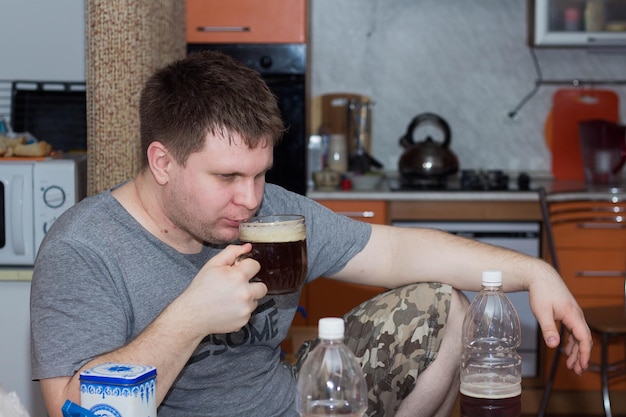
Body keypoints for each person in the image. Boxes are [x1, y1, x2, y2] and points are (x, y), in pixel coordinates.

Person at [30, 50, 591, 417]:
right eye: (226, 177)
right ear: (162, 161)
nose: (250, 198)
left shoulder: (271, 214)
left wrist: (531, 272)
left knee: (444, 308)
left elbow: (393, 250)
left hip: (294, 406)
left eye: (260, 173)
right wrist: (191, 316)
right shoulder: (84, 249)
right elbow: (72, 409)